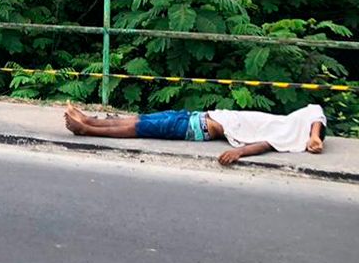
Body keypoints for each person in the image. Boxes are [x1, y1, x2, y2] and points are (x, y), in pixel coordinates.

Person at [62, 103, 327, 166]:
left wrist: (238, 152)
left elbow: (264, 145)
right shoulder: (293, 121)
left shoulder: (289, 135)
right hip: (197, 116)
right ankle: (89, 119)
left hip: (198, 128)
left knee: (140, 129)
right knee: (142, 119)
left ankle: (86, 129)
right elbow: (316, 111)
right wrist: (315, 135)